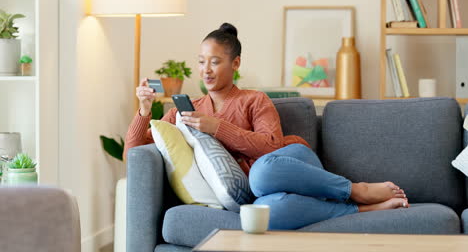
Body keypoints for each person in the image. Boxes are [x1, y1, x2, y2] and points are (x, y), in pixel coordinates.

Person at [124, 23, 409, 230]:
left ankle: (355, 189)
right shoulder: (184, 112)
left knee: (262, 173)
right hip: (259, 192)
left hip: (289, 163)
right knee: (262, 213)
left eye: (215, 62)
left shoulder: (254, 99)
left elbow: (270, 146)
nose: (206, 70)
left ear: (235, 63)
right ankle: (360, 208)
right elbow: (133, 156)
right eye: (201, 62)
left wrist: (217, 127)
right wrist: (144, 110)